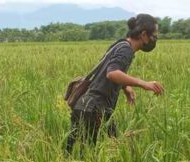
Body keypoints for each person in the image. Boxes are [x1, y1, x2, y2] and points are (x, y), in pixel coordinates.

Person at [65, 13, 165, 153]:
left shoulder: (120, 44)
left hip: (86, 106)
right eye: (154, 36)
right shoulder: (126, 50)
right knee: (89, 158)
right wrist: (144, 84)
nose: (155, 40)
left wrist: (126, 87)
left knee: (72, 152)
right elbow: (112, 73)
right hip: (95, 109)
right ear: (143, 35)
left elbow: (110, 69)